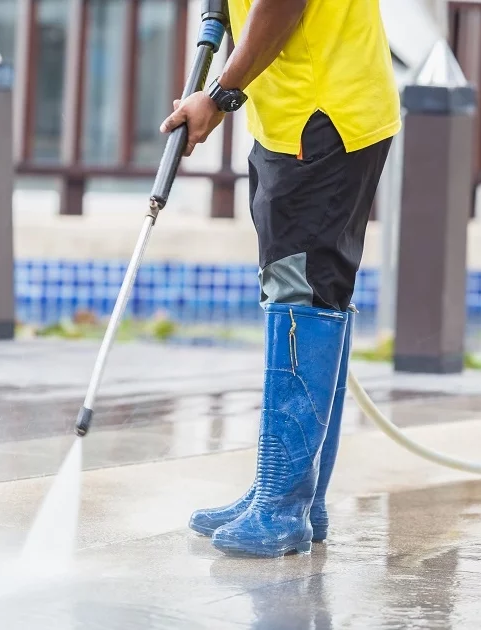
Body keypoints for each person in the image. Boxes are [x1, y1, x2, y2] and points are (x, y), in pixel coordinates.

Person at [160, 0, 400, 557]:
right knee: (303, 291)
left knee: (303, 294)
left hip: (322, 118)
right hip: (295, 116)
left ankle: (282, 505)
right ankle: (295, 496)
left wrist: (219, 95)